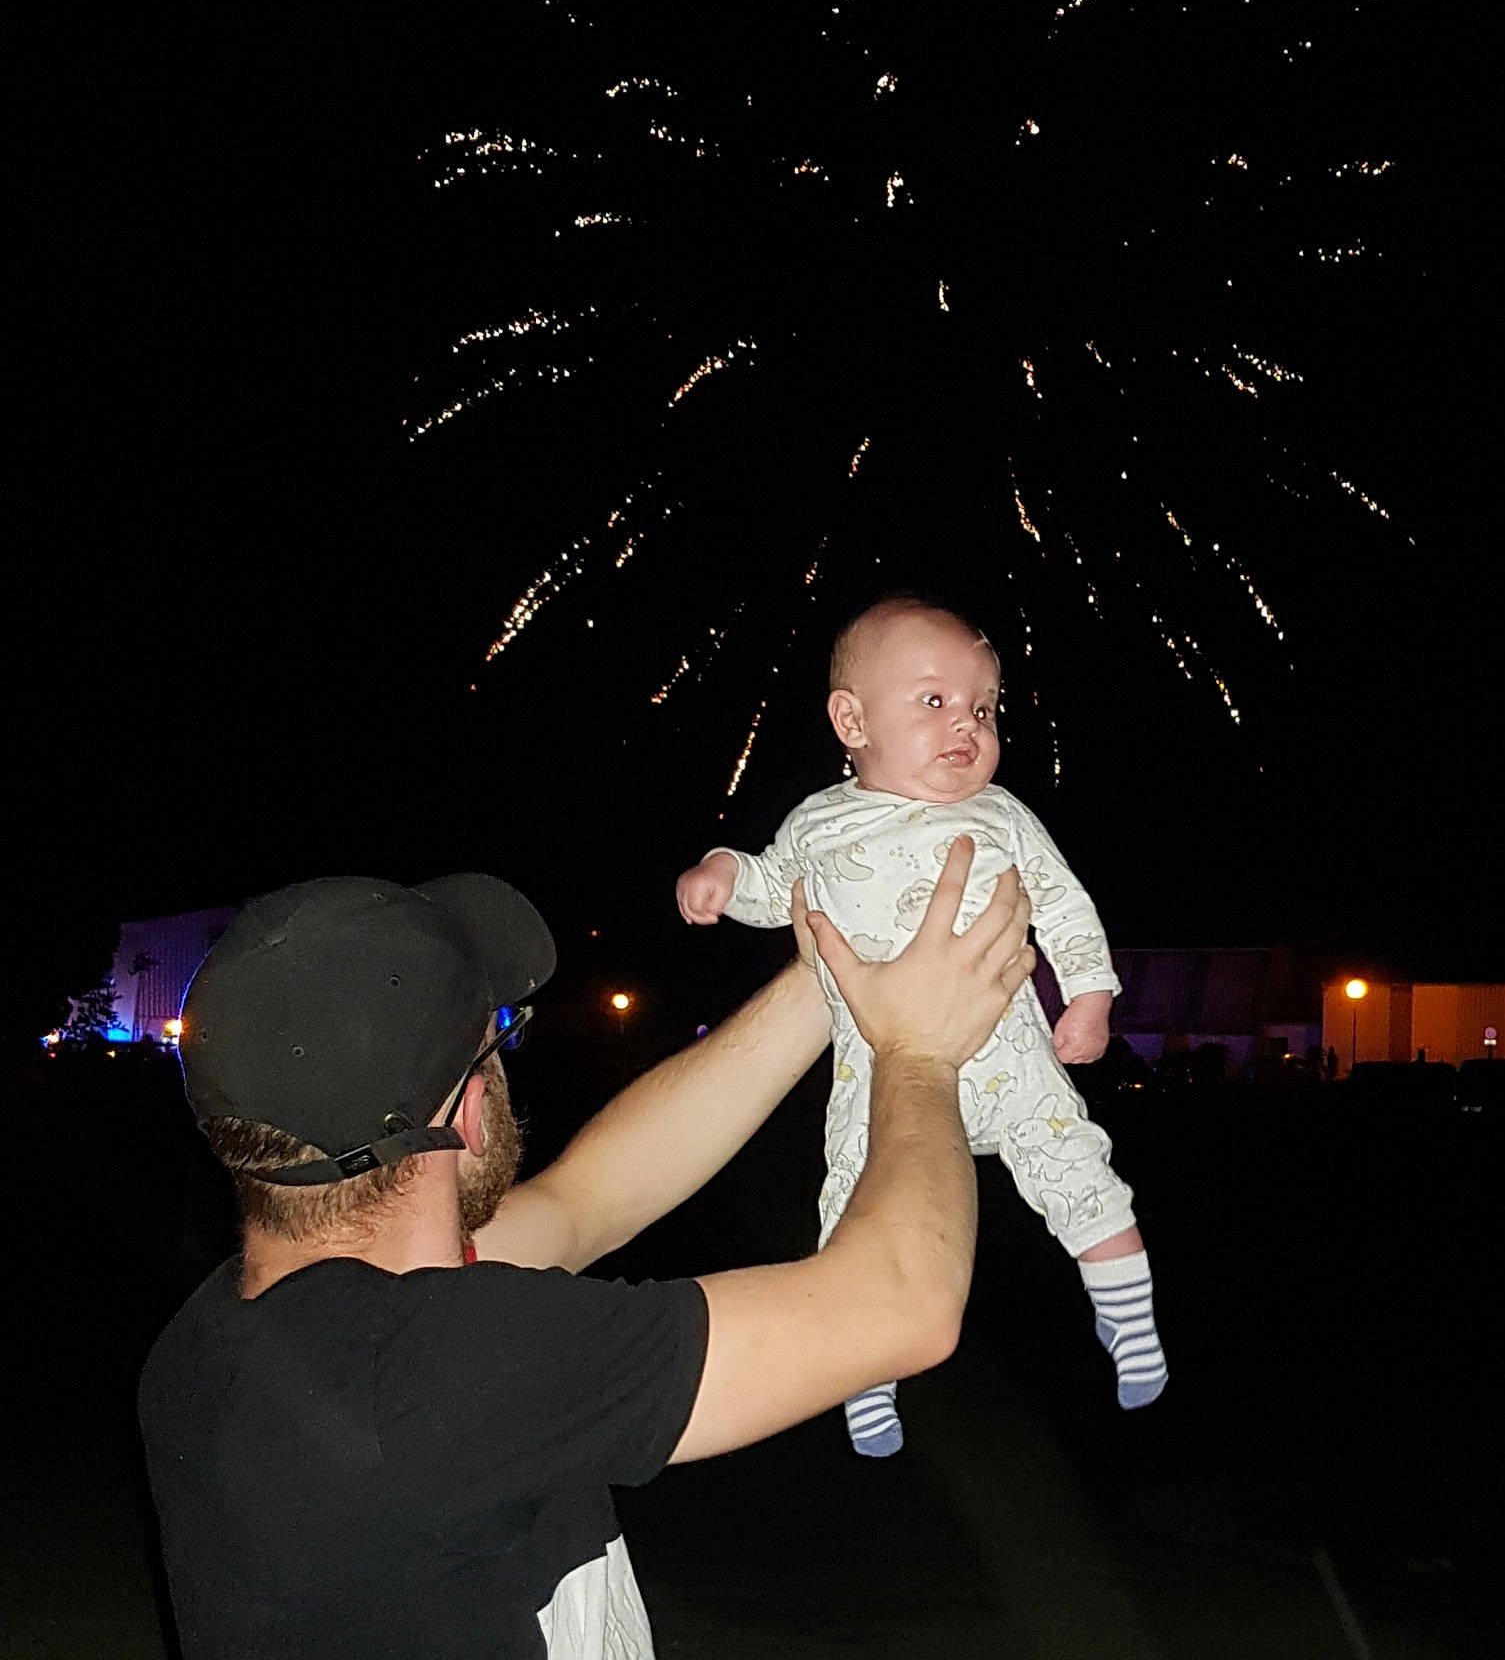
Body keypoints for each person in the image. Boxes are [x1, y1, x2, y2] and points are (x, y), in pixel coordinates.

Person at [139, 852, 1032, 1660]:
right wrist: (920, 1053)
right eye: (499, 1045)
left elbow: (591, 1200)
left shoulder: (224, 1340)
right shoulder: (446, 1375)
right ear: (466, 1114)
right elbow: (902, 1303)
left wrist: (828, 979)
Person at [677, 594, 1168, 1458]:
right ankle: (865, 1378)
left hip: (1011, 1057)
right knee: (855, 1206)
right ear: (851, 720)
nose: (966, 726)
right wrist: (723, 874)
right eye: (935, 701)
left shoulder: (1005, 816)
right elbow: (773, 889)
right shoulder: (818, 823)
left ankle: (1130, 1319)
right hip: (879, 1073)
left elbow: (1062, 904)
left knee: (1082, 1173)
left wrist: (1089, 993)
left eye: (984, 709)